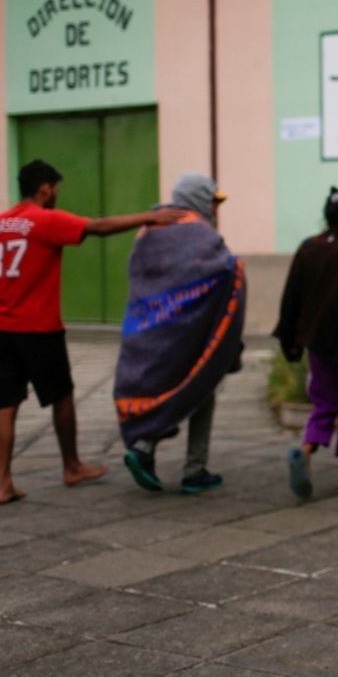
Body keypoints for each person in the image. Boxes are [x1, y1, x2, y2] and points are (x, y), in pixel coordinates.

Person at [0, 159, 179, 505]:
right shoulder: (45, 220)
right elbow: (98, 227)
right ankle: (72, 466)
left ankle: (3, 483)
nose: (56, 195)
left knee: (5, 407)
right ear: (45, 188)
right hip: (38, 329)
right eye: (55, 189)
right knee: (62, 396)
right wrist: (148, 217)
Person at [114, 173, 247, 495]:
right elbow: (220, 272)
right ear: (198, 197)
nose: (215, 208)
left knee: (158, 386)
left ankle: (144, 447)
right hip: (189, 332)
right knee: (200, 386)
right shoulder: (199, 233)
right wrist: (237, 269)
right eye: (213, 200)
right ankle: (194, 470)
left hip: (149, 329)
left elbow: (140, 273)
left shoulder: (149, 229)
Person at [273, 187, 338, 499]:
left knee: (324, 402)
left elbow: (292, 296)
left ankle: (306, 449)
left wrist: (290, 340)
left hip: (318, 344)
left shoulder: (308, 248)